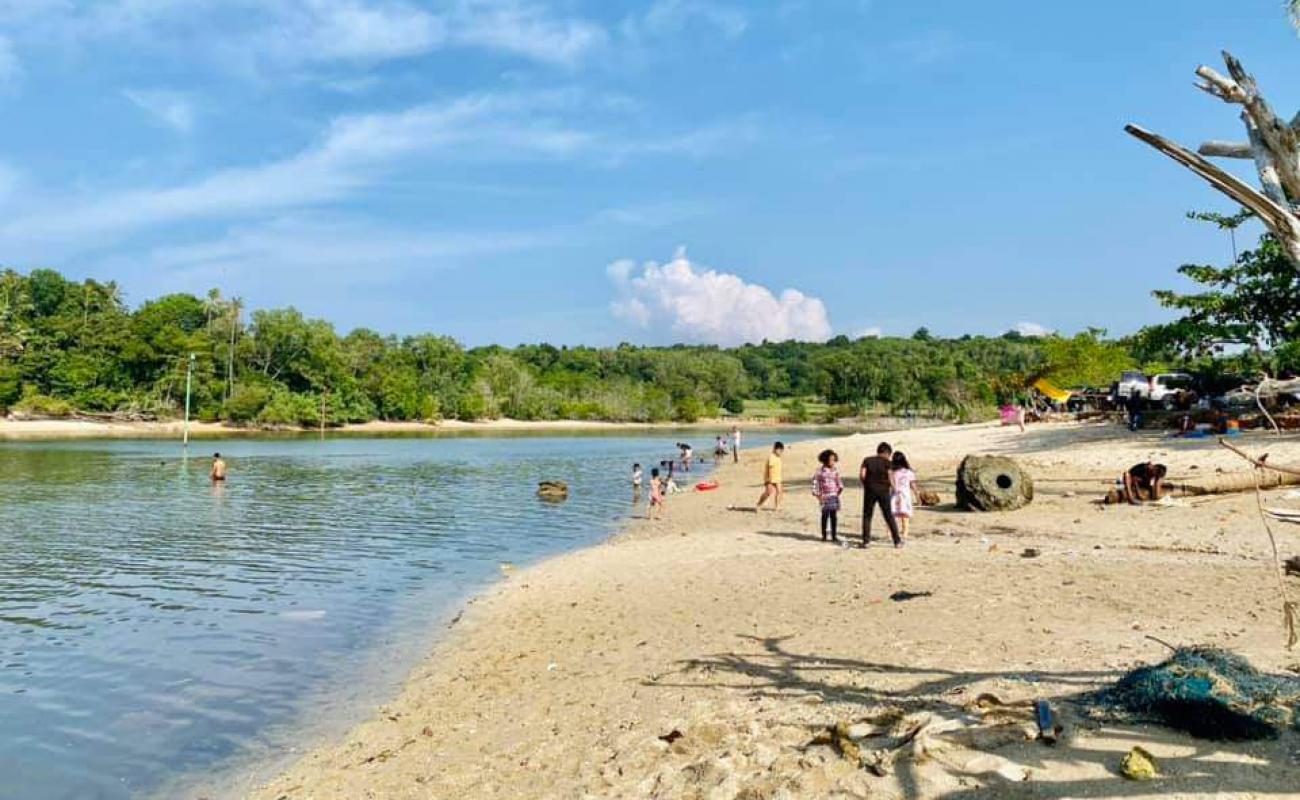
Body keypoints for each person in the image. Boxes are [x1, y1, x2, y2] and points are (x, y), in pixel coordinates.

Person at [859, 442, 901, 548]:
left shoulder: (867, 460)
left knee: (867, 515)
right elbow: (890, 477)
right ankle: (897, 541)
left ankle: (866, 541)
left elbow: (862, 475)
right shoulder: (888, 463)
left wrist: (866, 485)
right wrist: (895, 489)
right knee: (888, 516)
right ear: (887, 452)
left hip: (870, 490)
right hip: (883, 491)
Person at [812, 449, 844, 543]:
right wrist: (818, 496)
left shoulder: (835, 471)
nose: (833, 462)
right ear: (825, 460)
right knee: (824, 516)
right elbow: (815, 484)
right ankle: (824, 536)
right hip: (824, 496)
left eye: (834, 460)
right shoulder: (819, 471)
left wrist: (838, 492)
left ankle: (834, 535)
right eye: (831, 460)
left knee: (834, 516)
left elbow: (839, 483)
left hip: (834, 496)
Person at [890, 451, 920, 543]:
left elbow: (890, 484)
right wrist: (917, 496)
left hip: (894, 495)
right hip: (905, 496)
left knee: (892, 516)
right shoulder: (909, 472)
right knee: (905, 516)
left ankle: (890, 534)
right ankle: (905, 533)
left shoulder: (892, 473)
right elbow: (913, 485)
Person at [755, 441, 785, 511]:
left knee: (779, 491)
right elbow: (770, 468)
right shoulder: (772, 457)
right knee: (768, 492)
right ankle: (759, 504)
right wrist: (770, 479)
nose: (780, 452)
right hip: (770, 478)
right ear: (775, 449)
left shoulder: (778, 457)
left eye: (781, 451)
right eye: (779, 450)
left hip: (777, 478)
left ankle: (776, 507)